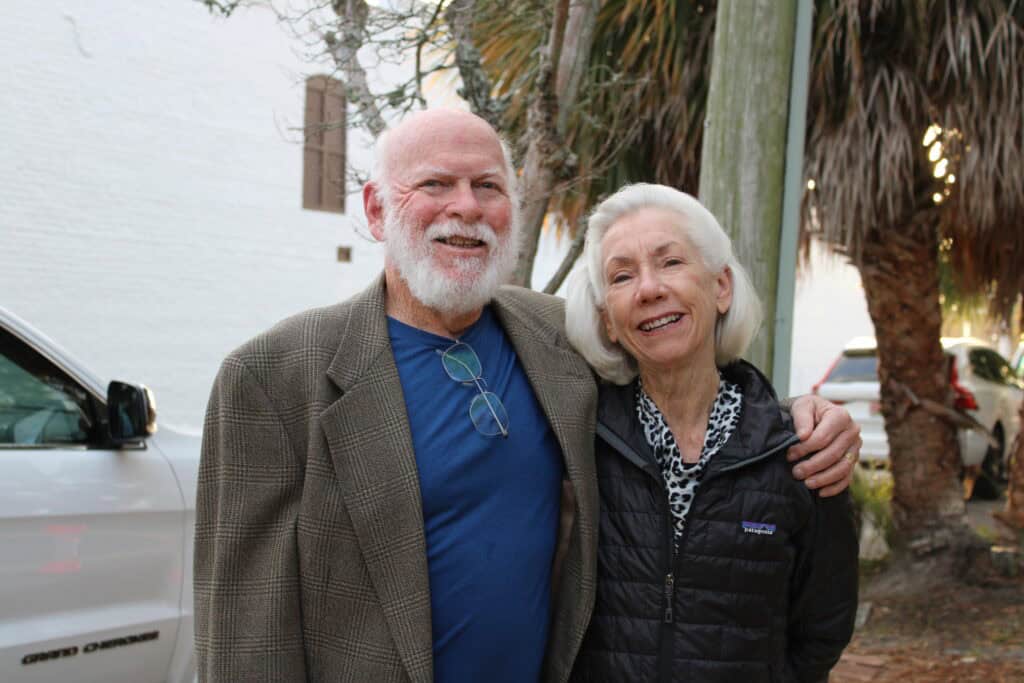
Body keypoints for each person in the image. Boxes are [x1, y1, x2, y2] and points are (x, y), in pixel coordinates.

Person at [194, 109, 861, 682]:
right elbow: (245, 632)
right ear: (376, 208)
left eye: (488, 185)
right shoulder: (274, 377)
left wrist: (808, 413)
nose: (466, 207)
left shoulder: (556, 336)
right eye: (435, 184)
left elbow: (680, 363)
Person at [563, 184, 859, 682]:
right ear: (608, 322)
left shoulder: (799, 450)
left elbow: (823, 625)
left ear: (721, 287)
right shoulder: (579, 444)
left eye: (670, 262)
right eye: (622, 275)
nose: (649, 289)